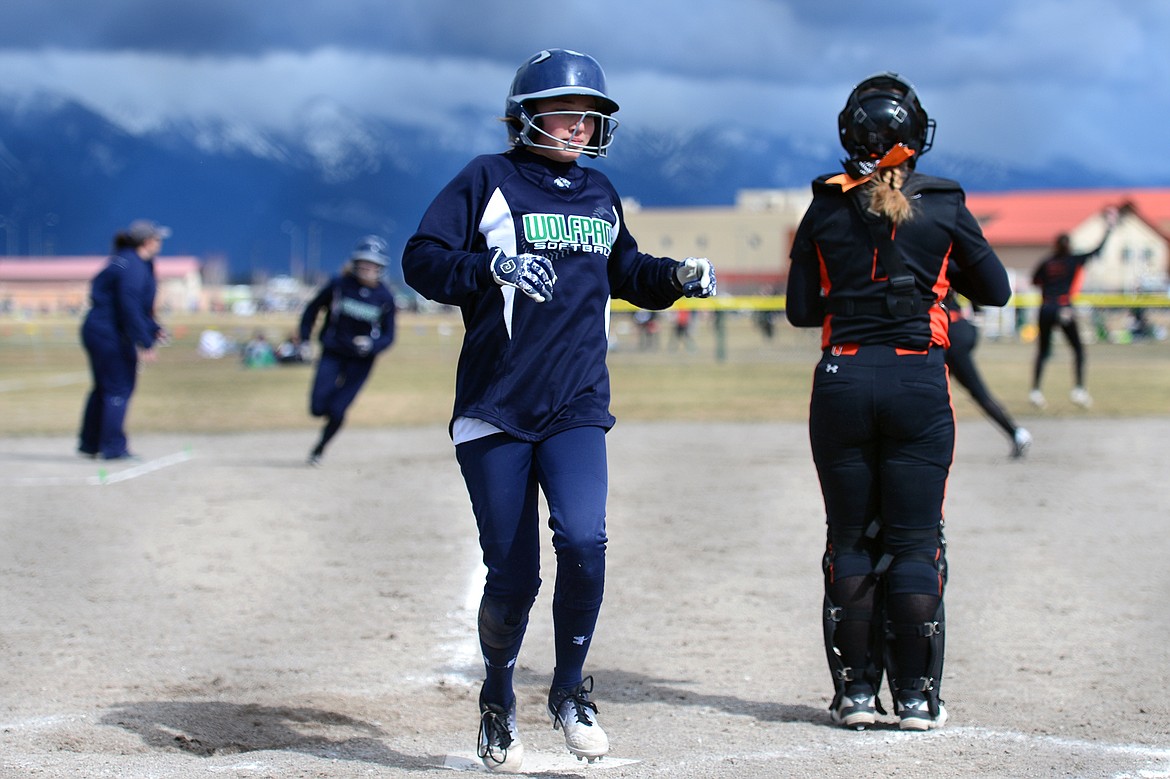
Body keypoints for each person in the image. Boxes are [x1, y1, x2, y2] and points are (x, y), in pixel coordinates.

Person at [401, 48, 716, 773]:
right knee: (513, 576)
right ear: (529, 115)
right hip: (497, 404)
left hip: (577, 402)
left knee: (583, 538)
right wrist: (491, 268)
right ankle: (498, 693)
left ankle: (570, 690)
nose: (582, 126)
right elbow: (421, 258)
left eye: (592, 115)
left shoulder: (602, 193)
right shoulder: (487, 179)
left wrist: (675, 277)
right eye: (570, 112)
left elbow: (626, 272)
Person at [785, 72, 1011, 732]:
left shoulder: (825, 205)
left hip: (843, 378)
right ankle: (916, 697)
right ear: (910, 141)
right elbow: (993, 289)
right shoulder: (942, 204)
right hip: (917, 379)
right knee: (915, 543)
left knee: (850, 539)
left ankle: (856, 693)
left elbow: (802, 310)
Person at [298, 235, 397, 465]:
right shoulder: (339, 286)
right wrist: (304, 339)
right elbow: (311, 310)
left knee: (338, 410)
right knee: (317, 407)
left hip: (361, 361)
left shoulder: (385, 297)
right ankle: (326, 410)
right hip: (333, 352)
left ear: (381, 267)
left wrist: (373, 345)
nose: (367, 267)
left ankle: (319, 449)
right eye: (363, 262)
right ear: (354, 263)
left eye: (373, 264)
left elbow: (389, 335)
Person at [78, 219, 171, 460]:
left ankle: (90, 443)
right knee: (118, 387)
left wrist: (152, 328)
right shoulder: (133, 266)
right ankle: (113, 446)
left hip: (99, 329)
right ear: (147, 242)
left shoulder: (127, 261)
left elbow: (135, 307)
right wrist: (145, 341)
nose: (160, 243)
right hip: (108, 333)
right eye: (158, 239)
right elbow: (128, 306)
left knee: (103, 388)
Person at [1028, 211, 1116, 409]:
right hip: (1063, 307)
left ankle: (1035, 391)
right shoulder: (1073, 260)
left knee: (1043, 351)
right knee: (1078, 350)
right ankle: (1078, 390)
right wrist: (1109, 229)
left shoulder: (1047, 262)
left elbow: (1034, 280)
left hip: (1046, 307)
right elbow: (1097, 250)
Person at [943, 289, 1031, 458]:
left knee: (973, 392)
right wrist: (976, 317)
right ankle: (1016, 433)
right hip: (960, 328)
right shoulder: (945, 264)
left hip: (951, 332)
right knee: (940, 392)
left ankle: (1017, 433)